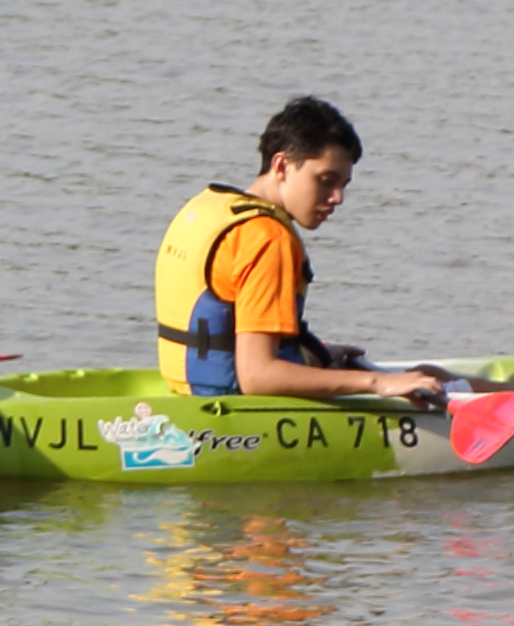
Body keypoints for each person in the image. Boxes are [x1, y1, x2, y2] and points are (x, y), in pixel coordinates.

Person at [153, 98, 445, 403]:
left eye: (343, 184)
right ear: (282, 166)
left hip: (187, 391)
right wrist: (376, 382)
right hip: (236, 412)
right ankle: (492, 401)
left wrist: (316, 355)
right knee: (434, 378)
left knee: (420, 372)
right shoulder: (266, 238)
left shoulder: (209, 207)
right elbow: (257, 376)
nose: (337, 198)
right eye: (325, 181)